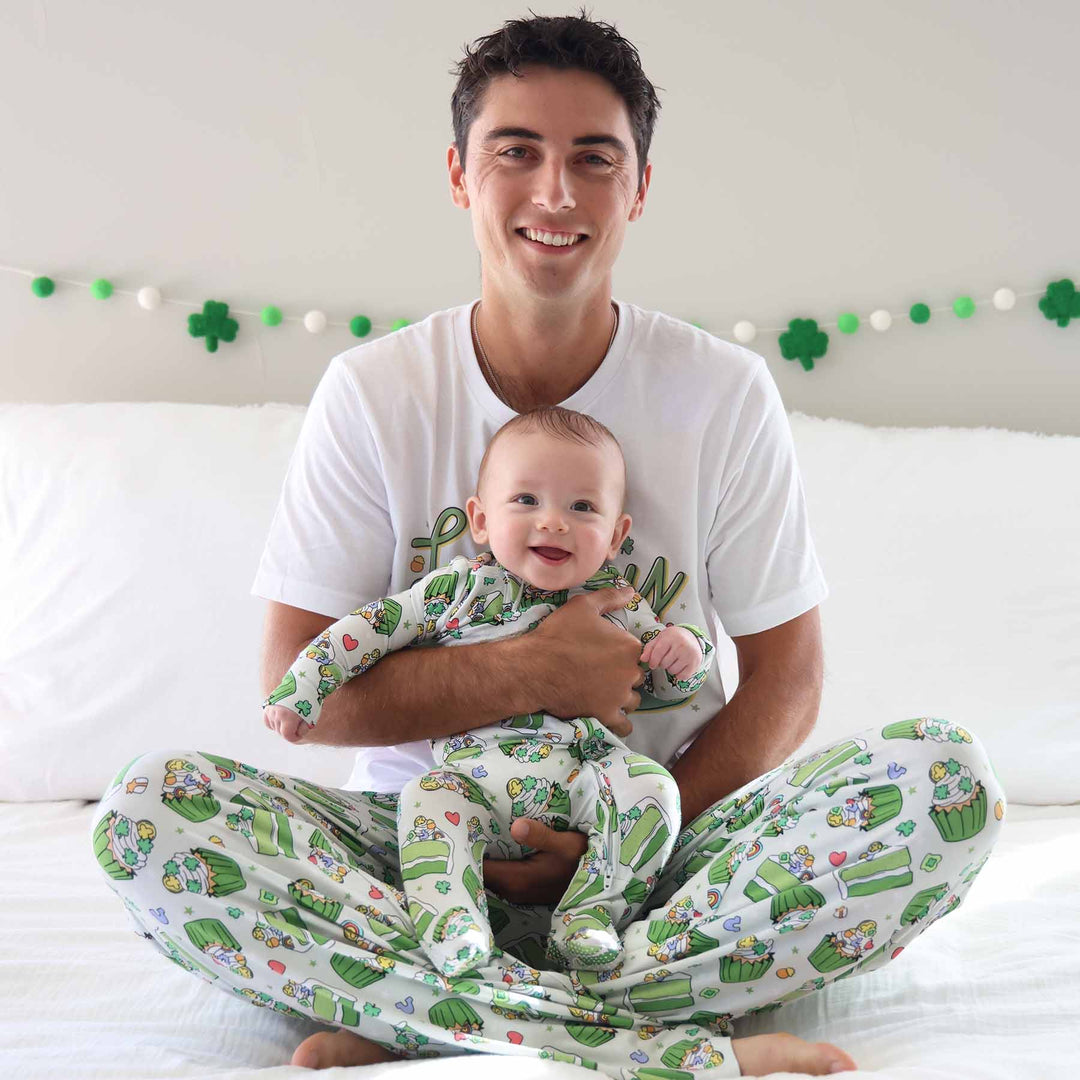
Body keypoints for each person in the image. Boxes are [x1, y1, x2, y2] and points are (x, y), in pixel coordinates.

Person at [91, 10, 1005, 1077]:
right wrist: (532, 668)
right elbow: (304, 694)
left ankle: (422, 1017)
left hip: (660, 845)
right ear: (459, 174)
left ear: (640, 187)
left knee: (945, 780)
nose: (556, 193)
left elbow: (789, 678)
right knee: (148, 815)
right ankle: (665, 1043)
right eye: (515, 152)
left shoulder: (721, 392)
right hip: (416, 848)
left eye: (593, 159)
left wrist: (624, 846)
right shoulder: (375, 394)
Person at [263, 405, 715, 977]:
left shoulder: (618, 600)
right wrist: (304, 687)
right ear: (479, 519)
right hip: (471, 788)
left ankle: (588, 914)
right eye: (526, 501)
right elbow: (369, 630)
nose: (553, 522)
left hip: (584, 786)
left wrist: (684, 650)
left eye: (582, 507)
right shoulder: (458, 587)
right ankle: (453, 924)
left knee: (652, 786)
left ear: (616, 536)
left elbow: (667, 672)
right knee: (425, 800)